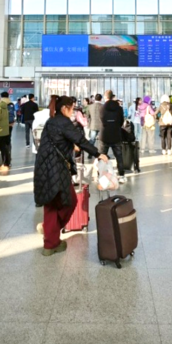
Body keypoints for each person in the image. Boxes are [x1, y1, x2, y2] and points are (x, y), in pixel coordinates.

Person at [33, 96, 109, 256]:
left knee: (51, 204)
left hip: (43, 167)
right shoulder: (64, 122)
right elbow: (80, 140)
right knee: (70, 201)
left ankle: (49, 244)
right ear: (64, 108)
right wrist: (98, 153)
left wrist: (69, 145)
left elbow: (57, 140)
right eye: (72, 108)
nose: (73, 111)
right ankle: (50, 232)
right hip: (56, 168)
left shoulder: (51, 121)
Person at [97, 90, 127, 183]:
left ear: (105, 97)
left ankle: (100, 176)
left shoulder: (102, 108)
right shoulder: (119, 108)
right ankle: (121, 175)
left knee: (102, 156)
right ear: (112, 96)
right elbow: (121, 121)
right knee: (119, 156)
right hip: (116, 134)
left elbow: (101, 120)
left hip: (104, 135)